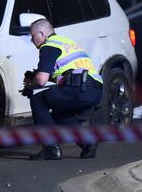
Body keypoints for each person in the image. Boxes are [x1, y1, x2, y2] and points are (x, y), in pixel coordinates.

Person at [22, 18, 104, 161]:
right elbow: (66, 72)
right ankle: (87, 143)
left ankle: (51, 149)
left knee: (37, 101)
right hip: (95, 90)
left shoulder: (48, 46)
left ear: (42, 34)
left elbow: (41, 80)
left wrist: (30, 85)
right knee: (61, 118)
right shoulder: (67, 42)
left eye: (32, 36)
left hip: (78, 87)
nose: (31, 40)